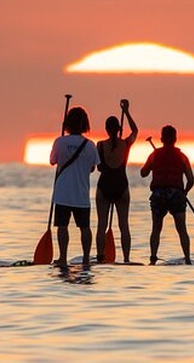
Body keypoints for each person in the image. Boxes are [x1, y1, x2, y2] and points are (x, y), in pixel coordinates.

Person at [49, 106, 100, 270]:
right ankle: (86, 259)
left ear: (67, 123)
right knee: (85, 227)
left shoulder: (60, 141)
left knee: (62, 226)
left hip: (63, 193)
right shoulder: (90, 145)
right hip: (81, 194)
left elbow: (53, 161)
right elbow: (93, 167)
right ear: (85, 124)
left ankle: (62, 258)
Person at [140, 124, 194, 265]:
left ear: (161, 139)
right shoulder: (182, 157)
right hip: (176, 194)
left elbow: (143, 173)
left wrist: (153, 164)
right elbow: (191, 179)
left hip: (159, 194)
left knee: (156, 229)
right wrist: (184, 193)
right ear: (175, 139)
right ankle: (187, 259)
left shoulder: (154, 155)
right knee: (182, 229)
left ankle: (153, 259)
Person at [95, 99, 139, 263]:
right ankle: (126, 259)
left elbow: (99, 168)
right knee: (124, 225)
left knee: (101, 224)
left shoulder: (100, 145)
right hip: (122, 187)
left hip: (104, 187)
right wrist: (127, 111)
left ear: (106, 130)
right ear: (119, 129)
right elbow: (135, 130)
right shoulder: (126, 143)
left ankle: (100, 257)